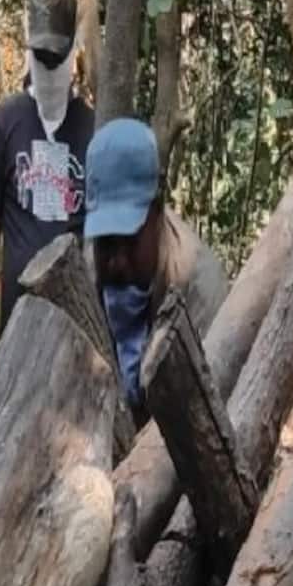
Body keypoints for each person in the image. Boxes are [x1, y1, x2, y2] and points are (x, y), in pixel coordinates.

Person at [0, 0, 93, 409]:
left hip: (75, 348)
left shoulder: (93, 131)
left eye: (57, 57)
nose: (49, 65)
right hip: (14, 344)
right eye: (41, 56)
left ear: (73, 52)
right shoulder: (8, 121)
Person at [81, 118, 229, 417]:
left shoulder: (201, 290)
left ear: (158, 212)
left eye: (130, 241)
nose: (117, 262)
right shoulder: (82, 276)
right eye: (106, 243)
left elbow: (212, 414)